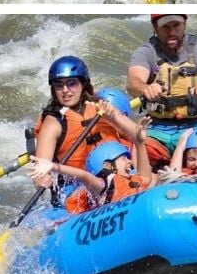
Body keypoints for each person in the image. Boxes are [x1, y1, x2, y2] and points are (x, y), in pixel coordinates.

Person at [126, 14, 197, 166]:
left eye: (176, 25)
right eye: (165, 27)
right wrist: (146, 88)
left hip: (195, 125)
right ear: (155, 28)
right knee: (140, 158)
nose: (171, 32)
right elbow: (133, 83)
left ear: (184, 24)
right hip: (157, 127)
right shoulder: (146, 52)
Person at [32, 56, 138, 193]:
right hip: (77, 188)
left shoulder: (101, 107)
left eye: (72, 83)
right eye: (59, 85)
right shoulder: (53, 123)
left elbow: (138, 135)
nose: (65, 90)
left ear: (83, 84)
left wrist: (115, 117)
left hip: (117, 174)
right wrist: (42, 180)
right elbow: (40, 169)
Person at [29, 124, 154, 210]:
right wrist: (54, 166)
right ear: (107, 166)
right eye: (123, 158)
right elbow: (83, 175)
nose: (129, 162)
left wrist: (140, 143)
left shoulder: (131, 179)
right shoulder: (103, 184)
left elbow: (145, 177)